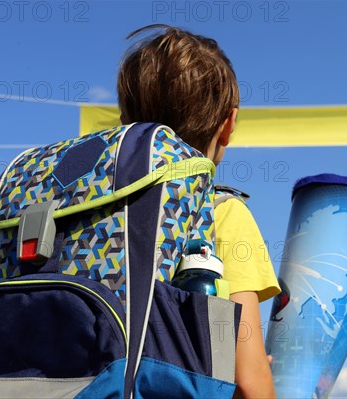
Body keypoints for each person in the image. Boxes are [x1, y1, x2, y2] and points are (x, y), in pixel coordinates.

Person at [117, 24, 280, 398]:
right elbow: (252, 386)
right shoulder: (221, 212)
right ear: (229, 125)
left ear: (124, 119)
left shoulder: (83, 205)